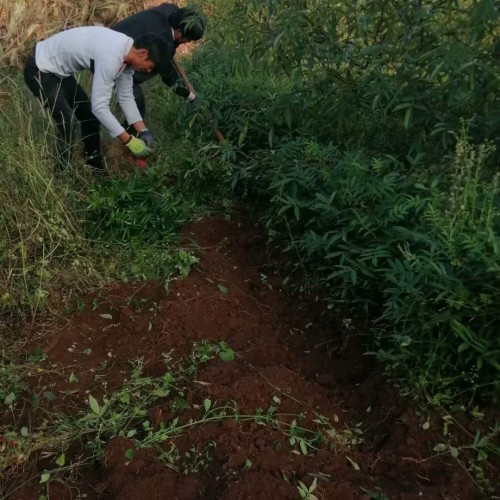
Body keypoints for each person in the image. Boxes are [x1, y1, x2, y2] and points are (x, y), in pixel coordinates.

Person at [23, 26, 172, 172]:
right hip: (39, 67)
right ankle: (62, 174)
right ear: (143, 53)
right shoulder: (112, 56)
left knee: (89, 116)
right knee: (66, 121)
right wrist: (129, 141)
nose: (148, 71)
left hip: (60, 73)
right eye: (150, 66)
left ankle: (94, 167)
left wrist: (144, 131)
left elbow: (126, 96)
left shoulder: (126, 54)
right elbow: (100, 107)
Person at [112, 4, 205, 131]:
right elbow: (170, 78)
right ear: (178, 31)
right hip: (114, 59)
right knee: (136, 103)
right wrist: (190, 96)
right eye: (188, 39)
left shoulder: (170, 12)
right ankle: (125, 138)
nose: (187, 42)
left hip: (114, 37)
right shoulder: (162, 43)